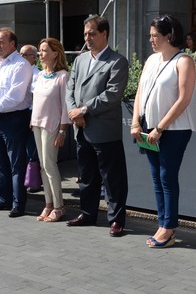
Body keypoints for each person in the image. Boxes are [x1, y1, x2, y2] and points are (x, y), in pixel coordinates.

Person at [130, 14, 196, 247]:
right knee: (156, 178)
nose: (151, 40)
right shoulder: (151, 60)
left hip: (174, 129)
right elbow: (140, 91)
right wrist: (135, 122)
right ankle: (163, 223)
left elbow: (183, 99)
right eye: (150, 36)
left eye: (155, 36)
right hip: (149, 128)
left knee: (167, 177)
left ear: (169, 36)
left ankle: (168, 227)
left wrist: (160, 127)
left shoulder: (184, 61)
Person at [65, 14, 129, 237]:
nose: (88, 38)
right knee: (87, 176)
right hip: (81, 129)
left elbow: (112, 95)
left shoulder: (117, 61)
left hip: (104, 131)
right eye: (85, 34)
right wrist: (74, 112)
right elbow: (70, 89)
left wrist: (83, 110)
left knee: (113, 179)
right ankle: (88, 213)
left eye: (92, 33)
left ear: (104, 34)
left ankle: (116, 220)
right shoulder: (80, 60)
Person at [0, 27, 33, 218]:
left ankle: (18, 203)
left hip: (14, 119)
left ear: (13, 44)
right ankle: (3, 199)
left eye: (2, 41)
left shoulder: (21, 65)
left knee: (16, 163)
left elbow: (16, 95)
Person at [31, 37, 71, 222]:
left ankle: (58, 206)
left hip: (52, 125)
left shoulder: (63, 76)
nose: (41, 54)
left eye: (45, 50)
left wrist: (63, 131)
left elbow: (65, 106)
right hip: (37, 124)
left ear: (56, 53)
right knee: (42, 165)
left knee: (50, 165)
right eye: (40, 51)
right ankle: (48, 204)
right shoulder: (39, 75)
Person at [20, 44, 43, 194]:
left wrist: (33, 117)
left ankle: (34, 181)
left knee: (32, 148)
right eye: (20, 54)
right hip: (18, 113)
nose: (21, 58)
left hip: (31, 113)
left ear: (34, 57)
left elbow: (36, 97)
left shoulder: (36, 73)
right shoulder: (19, 71)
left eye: (25, 55)